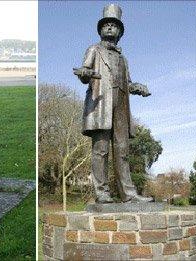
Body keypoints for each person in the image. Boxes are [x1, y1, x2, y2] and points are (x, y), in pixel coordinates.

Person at [74, 4, 152, 203]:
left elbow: (128, 83)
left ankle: (128, 194)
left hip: (121, 108)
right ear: (100, 30)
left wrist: (138, 87)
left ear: (120, 32)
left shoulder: (123, 59)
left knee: (122, 151)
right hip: (101, 105)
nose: (109, 27)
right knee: (100, 150)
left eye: (114, 25)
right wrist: (84, 74)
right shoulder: (94, 49)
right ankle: (101, 192)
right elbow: (85, 73)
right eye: (106, 25)